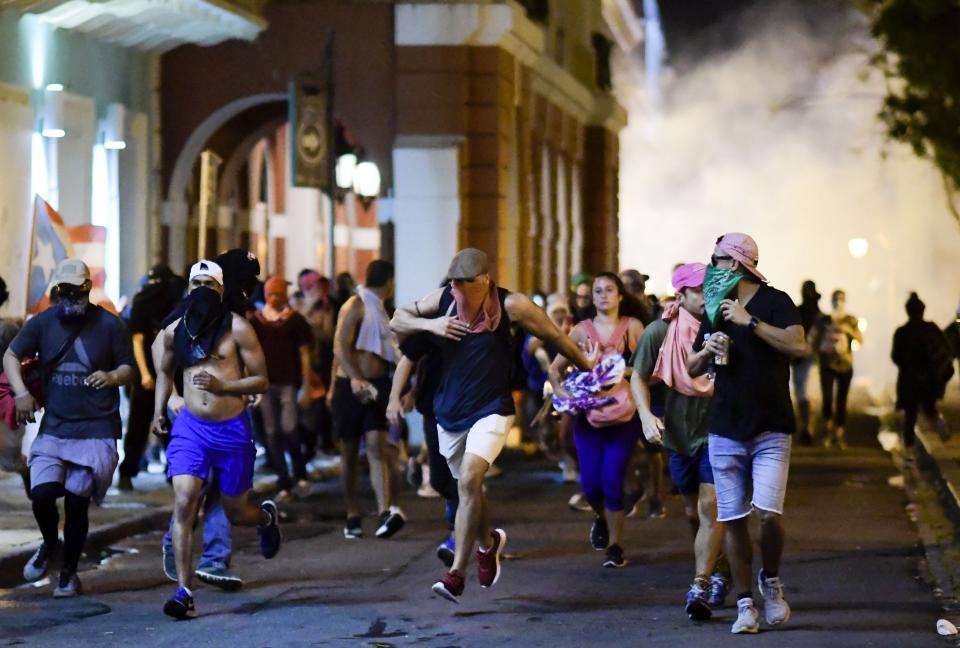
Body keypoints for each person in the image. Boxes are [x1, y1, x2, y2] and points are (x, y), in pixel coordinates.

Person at [391, 248, 592, 603]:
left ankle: (455, 574)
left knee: (470, 480)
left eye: (464, 283)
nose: (457, 290)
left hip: (493, 408)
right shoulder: (441, 301)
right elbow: (398, 319)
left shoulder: (511, 305)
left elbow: (554, 337)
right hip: (448, 412)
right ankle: (488, 542)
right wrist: (431, 324)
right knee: (468, 490)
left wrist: (588, 369)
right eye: (453, 283)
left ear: (484, 280)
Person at [686, 233, 806, 634]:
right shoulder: (714, 307)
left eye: (716, 259)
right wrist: (707, 349)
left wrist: (749, 322)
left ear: (734, 264)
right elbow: (691, 366)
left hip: (772, 427)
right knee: (733, 519)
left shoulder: (776, 301)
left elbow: (798, 345)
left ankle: (770, 580)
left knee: (768, 517)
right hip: (725, 427)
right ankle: (744, 604)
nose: (711, 266)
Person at [151, 260, 281, 619]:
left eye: (211, 284)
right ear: (189, 289)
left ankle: (265, 519)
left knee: (237, 511)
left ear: (221, 291)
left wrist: (225, 386)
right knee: (184, 499)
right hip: (191, 430)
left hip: (232, 430)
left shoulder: (238, 328)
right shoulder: (175, 330)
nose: (204, 290)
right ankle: (183, 590)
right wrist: (160, 409)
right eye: (198, 284)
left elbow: (262, 380)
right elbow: (163, 371)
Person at [4, 259, 134, 597]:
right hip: (55, 428)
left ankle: (69, 573)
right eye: (63, 291)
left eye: (75, 291)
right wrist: (20, 394)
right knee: (42, 494)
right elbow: (11, 357)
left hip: (96, 429)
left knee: (77, 503)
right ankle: (50, 544)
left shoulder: (110, 325)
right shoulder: (45, 322)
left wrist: (112, 376)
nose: (68, 297)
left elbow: (128, 368)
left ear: (87, 289)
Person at [633, 263, 729, 619]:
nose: (707, 297)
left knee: (710, 507)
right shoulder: (660, 332)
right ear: (681, 295)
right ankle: (719, 565)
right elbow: (638, 378)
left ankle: (700, 585)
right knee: (693, 511)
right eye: (699, 291)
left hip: (718, 430)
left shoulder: (722, 326)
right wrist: (646, 415)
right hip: (678, 433)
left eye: (710, 290)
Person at [549, 273, 644, 568]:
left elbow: (648, 370)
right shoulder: (580, 331)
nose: (603, 295)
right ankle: (601, 518)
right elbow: (555, 370)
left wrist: (620, 372)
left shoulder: (633, 328)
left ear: (620, 296)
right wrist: (565, 395)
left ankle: (615, 546)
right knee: (590, 485)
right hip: (588, 418)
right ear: (591, 298)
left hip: (622, 416)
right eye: (598, 291)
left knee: (612, 479)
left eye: (609, 290)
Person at [332, 260, 404, 540]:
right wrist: (354, 377)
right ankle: (352, 513)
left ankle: (384, 511)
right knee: (349, 452)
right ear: (389, 281)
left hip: (378, 385)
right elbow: (340, 345)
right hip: (349, 386)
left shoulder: (382, 311)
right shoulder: (356, 305)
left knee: (377, 445)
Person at [250, 275, 314, 499]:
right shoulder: (256, 321)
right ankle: (283, 478)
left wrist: (306, 385)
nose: (275, 297)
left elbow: (305, 354)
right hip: (265, 383)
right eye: (272, 293)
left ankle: (299, 472)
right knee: (271, 432)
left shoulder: (295, 320)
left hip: (288, 382)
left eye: (279, 293)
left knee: (289, 428)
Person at [118, 264, 179, 490]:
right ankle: (129, 470)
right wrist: (144, 373)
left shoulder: (162, 301)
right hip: (152, 376)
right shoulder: (148, 302)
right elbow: (138, 340)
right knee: (142, 424)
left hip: (164, 375)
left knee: (165, 424)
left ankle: (173, 470)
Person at [892, 292, 954, 449]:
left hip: (909, 380)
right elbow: (946, 349)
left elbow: (895, 356)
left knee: (910, 415)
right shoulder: (931, 328)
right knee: (929, 408)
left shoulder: (902, 332)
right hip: (931, 379)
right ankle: (940, 425)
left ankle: (909, 454)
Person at [811, 290, 862, 450]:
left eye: (840, 299)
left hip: (845, 364)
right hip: (827, 364)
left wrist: (849, 331)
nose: (838, 302)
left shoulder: (851, 320)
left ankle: (839, 434)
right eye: (835, 299)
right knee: (827, 399)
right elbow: (814, 338)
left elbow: (860, 339)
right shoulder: (824, 320)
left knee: (841, 400)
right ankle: (828, 431)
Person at [792, 280, 822, 445]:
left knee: (804, 395)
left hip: (802, 358)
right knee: (807, 395)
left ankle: (807, 427)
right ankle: (807, 427)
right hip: (808, 358)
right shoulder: (819, 316)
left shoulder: (798, 312)